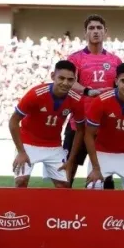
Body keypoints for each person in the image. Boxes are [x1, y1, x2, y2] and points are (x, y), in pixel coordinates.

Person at [64, 14, 122, 189]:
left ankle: (106, 210)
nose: (95, 31)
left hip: (105, 123)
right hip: (79, 122)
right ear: (85, 33)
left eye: (99, 28)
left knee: (106, 169)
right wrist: (88, 91)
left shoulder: (115, 60)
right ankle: (63, 200)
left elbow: (120, 87)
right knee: (70, 163)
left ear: (105, 32)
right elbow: (68, 81)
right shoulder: (75, 59)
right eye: (91, 28)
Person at [10, 60, 84, 188]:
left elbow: (80, 130)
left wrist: (71, 160)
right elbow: (13, 121)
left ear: (75, 80)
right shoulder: (36, 94)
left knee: (64, 185)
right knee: (20, 182)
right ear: (52, 76)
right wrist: (21, 152)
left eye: (70, 79)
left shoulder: (76, 100)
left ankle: (58, 209)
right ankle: (19, 208)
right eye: (61, 78)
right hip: (28, 143)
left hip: (54, 146)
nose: (65, 83)